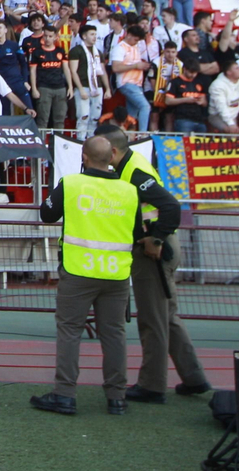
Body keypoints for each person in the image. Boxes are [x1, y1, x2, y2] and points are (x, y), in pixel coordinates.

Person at [31, 135, 174, 417]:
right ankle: (116, 398)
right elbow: (135, 232)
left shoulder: (72, 183)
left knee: (70, 331)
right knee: (114, 334)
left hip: (78, 270)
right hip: (117, 273)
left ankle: (65, 394)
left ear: (84, 157)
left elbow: (46, 214)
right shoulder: (129, 191)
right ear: (112, 158)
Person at [94, 127, 209, 405]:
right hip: (159, 248)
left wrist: (155, 239)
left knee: (152, 320)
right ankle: (194, 377)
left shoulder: (133, 172)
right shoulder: (132, 166)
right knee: (166, 317)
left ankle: (152, 385)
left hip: (153, 252)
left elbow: (170, 205)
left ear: (112, 151)